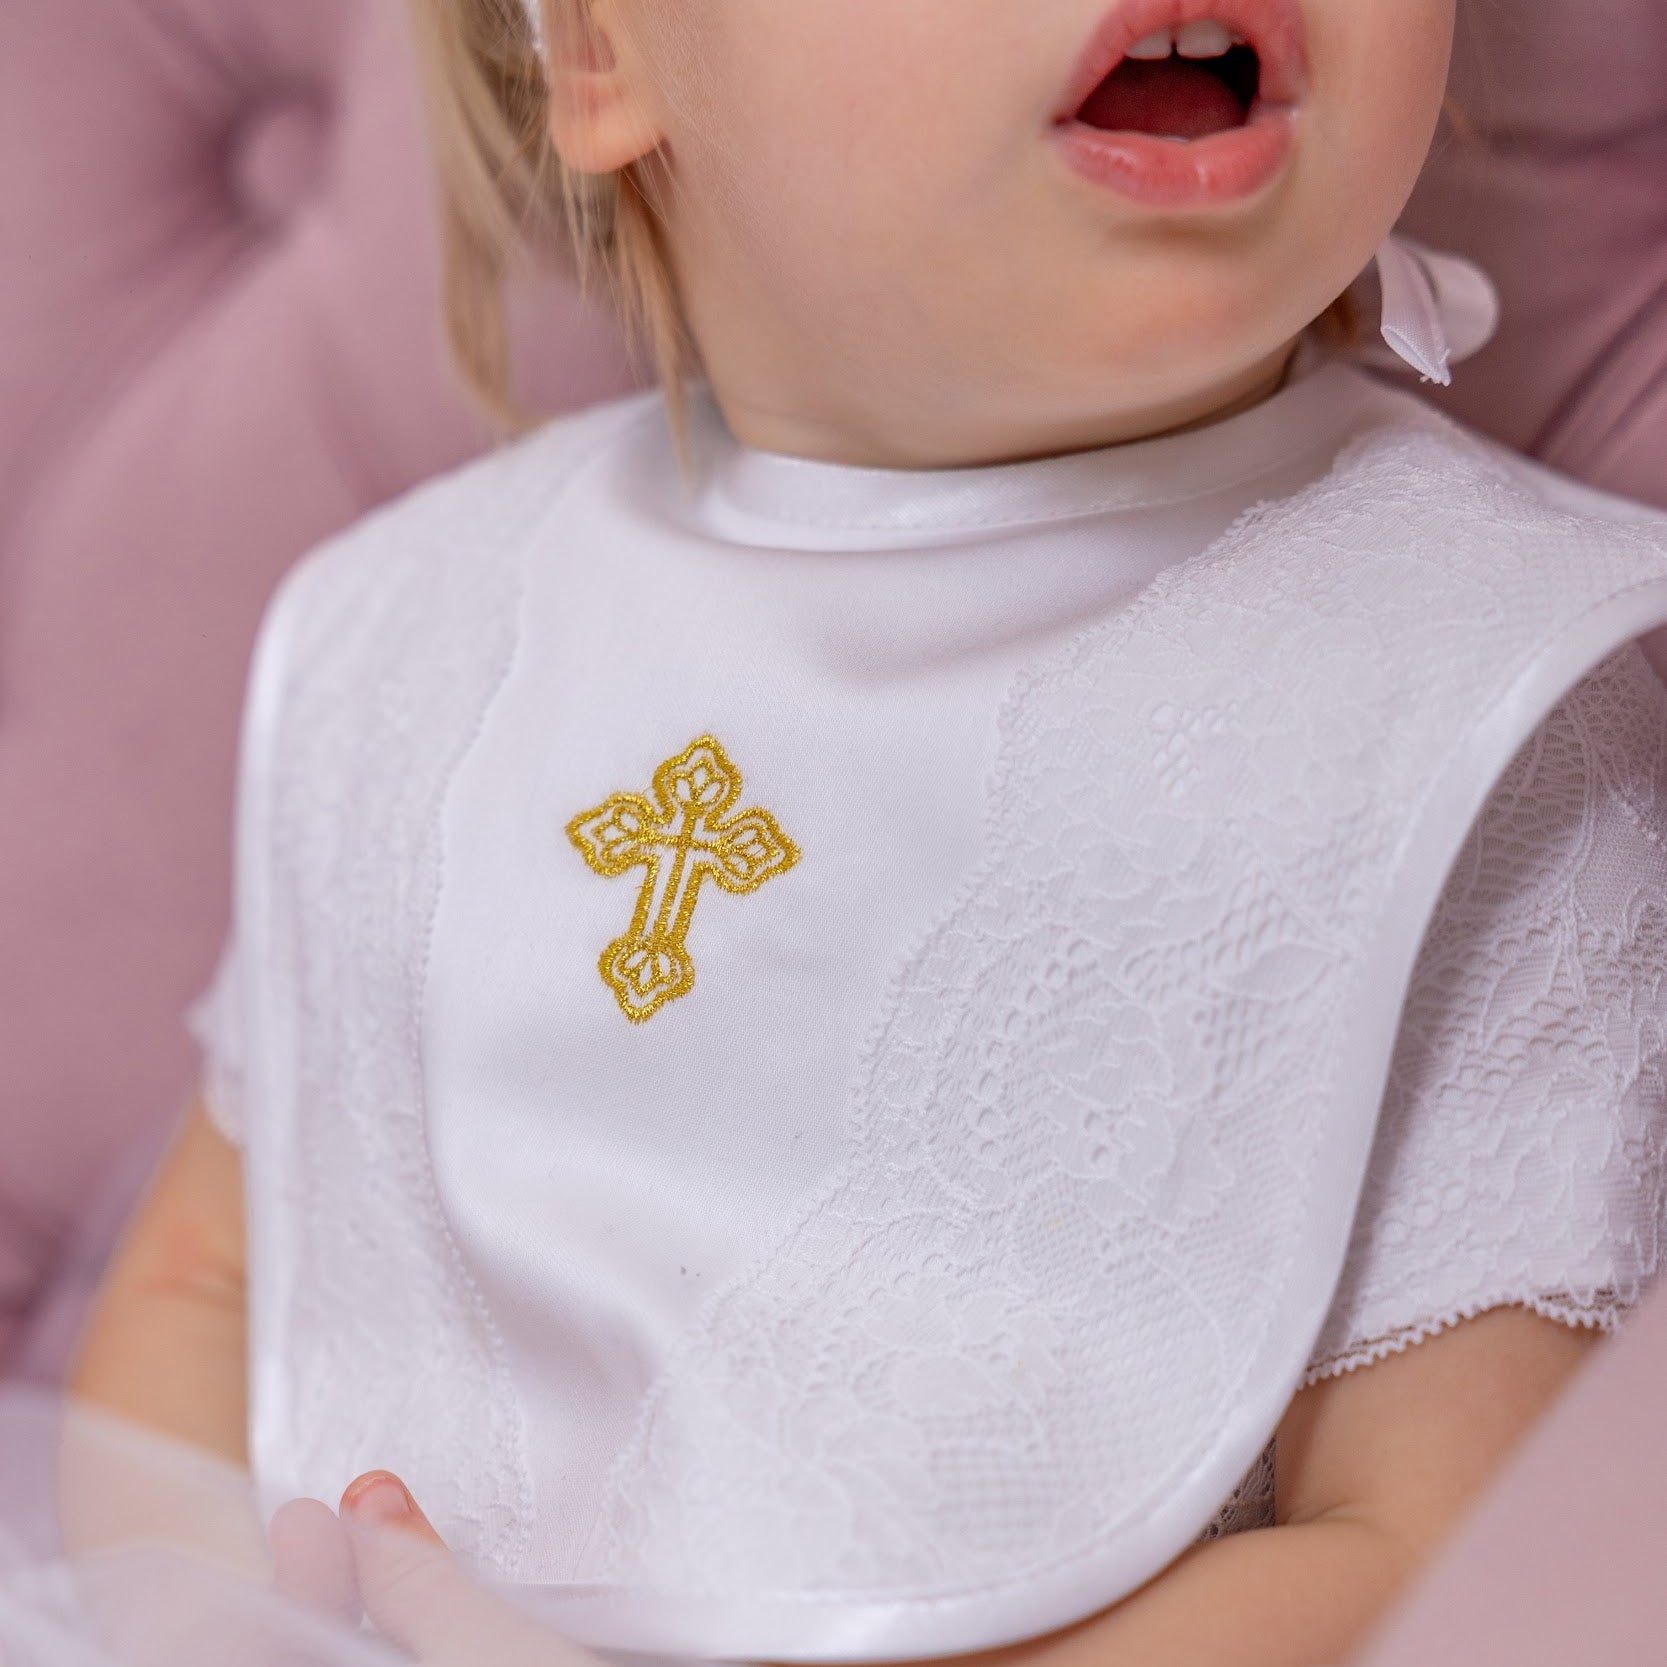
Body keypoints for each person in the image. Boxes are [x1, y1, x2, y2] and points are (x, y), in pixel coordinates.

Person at [31, 1, 1667, 1664]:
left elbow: (1450, 1549)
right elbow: (205, 1295)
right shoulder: (441, 649)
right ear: (606, 54)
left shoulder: (1458, 699)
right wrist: (210, 1622)